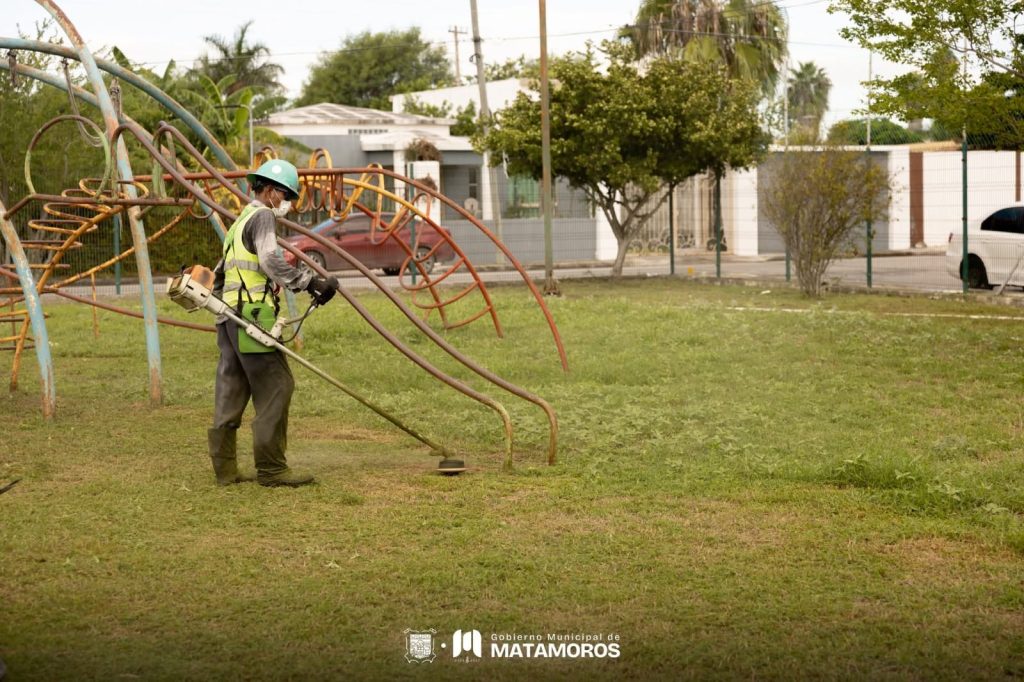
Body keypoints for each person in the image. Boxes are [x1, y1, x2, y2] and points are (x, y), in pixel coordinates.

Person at [207, 159, 338, 488]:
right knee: (278, 385)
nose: (287, 202)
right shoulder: (263, 215)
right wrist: (308, 282)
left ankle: (225, 470)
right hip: (253, 316)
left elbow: (220, 274)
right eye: (286, 195)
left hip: (228, 319)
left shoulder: (238, 223)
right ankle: (272, 469)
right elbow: (269, 259)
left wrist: (224, 311)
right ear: (269, 190)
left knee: (232, 388)